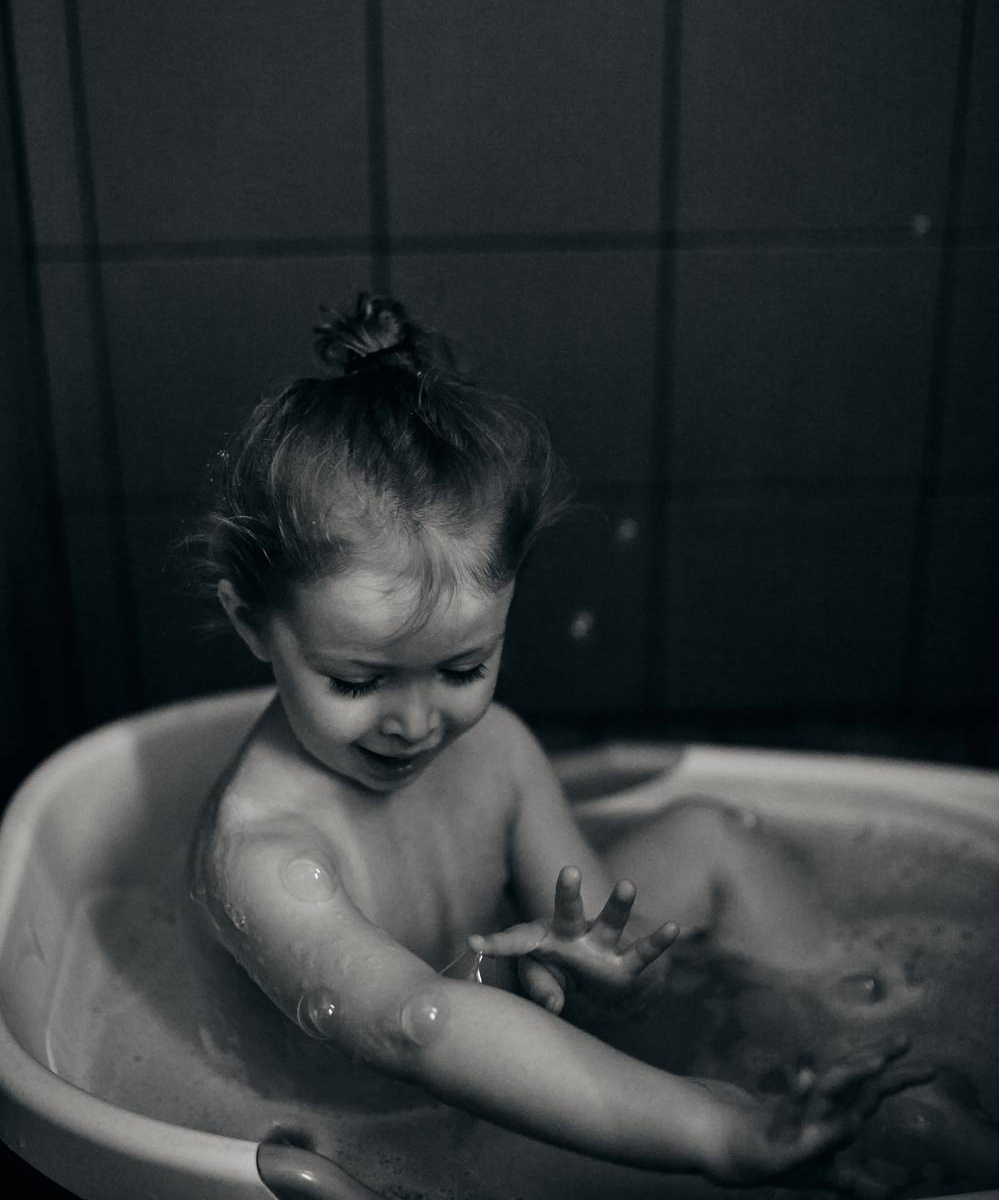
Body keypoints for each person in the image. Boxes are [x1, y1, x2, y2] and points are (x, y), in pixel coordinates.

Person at [188, 293, 930, 1196]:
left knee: (710, 837)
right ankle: (777, 1122)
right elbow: (414, 1024)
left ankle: (869, 1027)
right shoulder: (262, 852)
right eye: (356, 681)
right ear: (252, 625)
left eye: (463, 668)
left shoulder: (496, 751)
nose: (416, 723)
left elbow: (594, 943)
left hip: (500, 1017)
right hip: (400, 1125)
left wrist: (617, 982)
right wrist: (715, 1129)